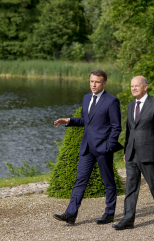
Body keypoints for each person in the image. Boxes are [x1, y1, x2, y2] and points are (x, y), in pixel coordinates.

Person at [53, 69, 123, 225]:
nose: (93, 84)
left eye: (97, 82)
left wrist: (108, 147)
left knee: (108, 182)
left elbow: (116, 127)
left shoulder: (111, 101)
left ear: (104, 83)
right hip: (87, 148)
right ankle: (71, 214)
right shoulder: (86, 98)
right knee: (80, 180)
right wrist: (69, 120)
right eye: (91, 81)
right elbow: (86, 120)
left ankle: (109, 213)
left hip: (103, 149)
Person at [113, 76, 154, 230]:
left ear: (145, 87)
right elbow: (129, 131)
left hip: (149, 153)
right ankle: (128, 219)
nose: (133, 89)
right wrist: (126, 151)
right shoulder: (131, 105)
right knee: (131, 186)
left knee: (153, 183)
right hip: (132, 153)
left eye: (136, 86)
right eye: (132, 86)